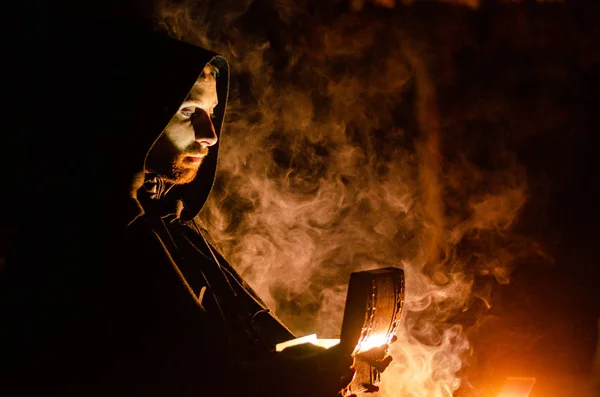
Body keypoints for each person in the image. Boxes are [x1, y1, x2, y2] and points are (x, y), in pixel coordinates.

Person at [1, 7, 391, 397]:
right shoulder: (79, 240)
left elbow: (234, 352)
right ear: (139, 113)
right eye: (188, 112)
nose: (209, 135)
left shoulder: (171, 221)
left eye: (212, 113)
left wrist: (317, 363)